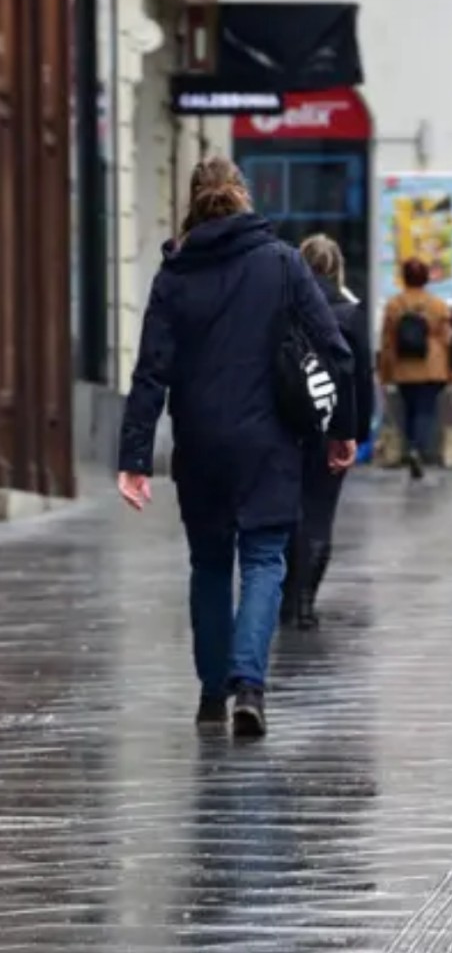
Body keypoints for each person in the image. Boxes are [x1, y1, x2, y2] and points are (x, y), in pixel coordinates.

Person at [116, 156, 357, 738]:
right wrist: (340, 428)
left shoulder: (174, 274)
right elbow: (335, 348)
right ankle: (249, 686)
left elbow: (151, 372)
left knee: (209, 564)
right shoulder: (281, 263)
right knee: (263, 558)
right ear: (245, 197)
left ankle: (209, 695)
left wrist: (135, 458)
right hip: (269, 439)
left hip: (199, 441)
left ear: (193, 202)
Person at [281, 234, 373, 631]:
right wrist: (357, 428)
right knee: (320, 514)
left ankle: (285, 596)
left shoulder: (283, 308)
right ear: (337, 268)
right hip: (333, 423)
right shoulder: (349, 313)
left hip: (285, 421)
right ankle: (305, 602)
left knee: (286, 512)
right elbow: (360, 376)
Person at [379, 258, 452, 480]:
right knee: (425, 409)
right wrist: (450, 370)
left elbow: (387, 339)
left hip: (403, 366)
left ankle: (411, 446)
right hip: (433, 365)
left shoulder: (394, 304)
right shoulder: (437, 305)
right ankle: (417, 449)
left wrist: (384, 371)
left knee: (409, 408)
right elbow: (446, 338)